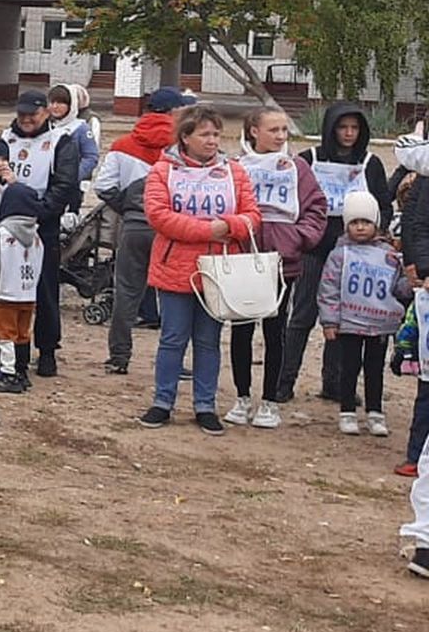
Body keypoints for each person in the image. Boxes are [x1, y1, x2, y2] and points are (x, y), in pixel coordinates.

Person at [136, 104, 263, 434]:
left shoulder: (234, 171)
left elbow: (252, 214)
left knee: (208, 341)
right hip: (176, 267)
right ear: (186, 137)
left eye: (216, 134)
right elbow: (159, 215)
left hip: (219, 269)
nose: (212, 140)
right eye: (204, 134)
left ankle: (204, 405)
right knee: (173, 338)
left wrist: (229, 225)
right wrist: (207, 231)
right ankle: (163, 402)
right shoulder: (163, 171)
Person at [226, 105, 327, 428]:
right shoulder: (235, 166)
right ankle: (242, 396)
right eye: (274, 130)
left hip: (282, 262)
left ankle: (270, 401)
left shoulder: (296, 167)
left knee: (275, 330)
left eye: (284, 130)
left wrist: (298, 239)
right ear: (254, 131)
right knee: (241, 329)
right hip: (243, 257)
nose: (281, 136)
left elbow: (316, 207)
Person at [285, 102, 391, 404]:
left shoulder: (370, 163)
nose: (348, 133)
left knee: (342, 323)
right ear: (331, 129)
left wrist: (375, 230)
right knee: (302, 316)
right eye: (342, 127)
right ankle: (285, 380)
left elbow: (382, 203)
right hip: (313, 249)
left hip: (353, 254)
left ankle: (334, 383)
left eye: (354, 128)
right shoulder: (310, 159)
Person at [93, 87, 195, 375]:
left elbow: (103, 186)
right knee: (176, 296)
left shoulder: (123, 144)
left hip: (135, 226)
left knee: (126, 291)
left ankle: (119, 357)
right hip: (172, 230)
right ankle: (174, 362)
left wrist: (127, 206)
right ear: (174, 112)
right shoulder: (183, 147)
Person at [0, 89, 82, 376]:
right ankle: (3, 348)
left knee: (45, 290)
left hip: (42, 226)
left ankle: (47, 350)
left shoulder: (61, 141)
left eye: (32, 115)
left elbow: (65, 184)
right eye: (21, 114)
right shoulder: (5, 137)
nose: (26, 120)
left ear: (46, 112)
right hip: (7, 225)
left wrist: (39, 212)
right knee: (3, 289)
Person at [319, 189, 406, 437]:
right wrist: (329, 321)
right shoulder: (339, 255)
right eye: (354, 222)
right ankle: (347, 411)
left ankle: (375, 413)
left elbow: (397, 287)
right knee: (349, 367)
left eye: (366, 222)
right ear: (346, 225)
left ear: (376, 224)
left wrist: (410, 283)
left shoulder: (389, 256)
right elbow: (329, 289)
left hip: (379, 325)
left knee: (375, 368)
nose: (360, 227)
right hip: (350, 323)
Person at [0, 182, 44, 394]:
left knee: (5, 334)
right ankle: (22, 371)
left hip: (6, 294)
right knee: (23, 333)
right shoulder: (36, 236)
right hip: (28, 293)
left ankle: (8, 373)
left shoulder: (3, 234)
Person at [390, 286, 429, 476]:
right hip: (427, 367)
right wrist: (403, 349)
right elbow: (411, 323)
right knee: (423, 414)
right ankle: (415, 458)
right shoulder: (422, 299)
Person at [45, 82, 100, 186]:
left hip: (70, 185)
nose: (55, 106)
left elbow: (91, 156)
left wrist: (73, 176)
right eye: (52, 102)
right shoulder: (45, 125)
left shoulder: (81, 128)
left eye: (61, 103)